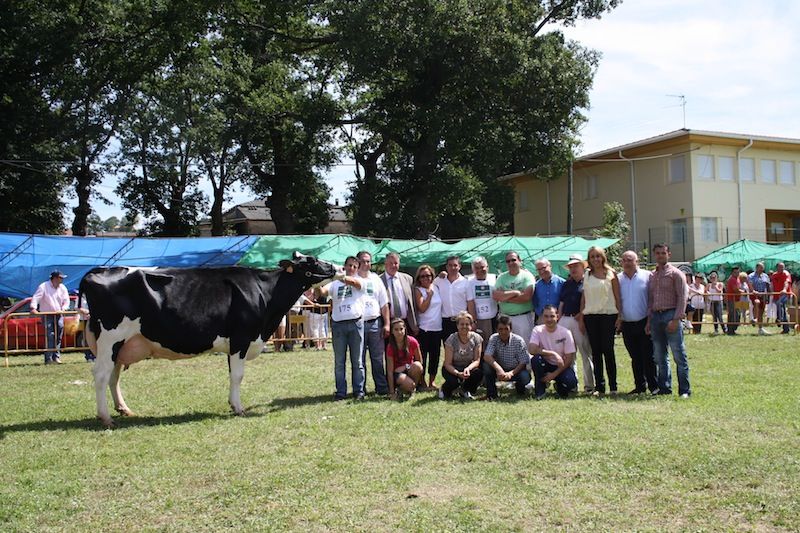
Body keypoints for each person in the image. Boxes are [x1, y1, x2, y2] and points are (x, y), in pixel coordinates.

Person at [317, 256, 366, 400]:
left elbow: (353, 282)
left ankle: (359, 391)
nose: (351, 268)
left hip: (355, 323)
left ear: (357, 269)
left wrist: (337, 276)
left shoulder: (360, 280)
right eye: (349, 265)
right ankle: (341, 392)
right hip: (338, 325)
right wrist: (317, 283)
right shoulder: (334, 284)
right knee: (339, 362)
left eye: (354, 266)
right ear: (344, 266)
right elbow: (323, 292)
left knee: (357, 361)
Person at [647, 243, 691, 398]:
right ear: (654, 255)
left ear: (669, 254)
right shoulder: (652, 275)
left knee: (678, 354)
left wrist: (676, 318)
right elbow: (650, 299)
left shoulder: (676, 274)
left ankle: (684, 390)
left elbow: (682, 297)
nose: (660, 256)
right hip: (656, 317)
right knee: (659, 356)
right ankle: (664, 387)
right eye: (657, 253)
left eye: (663, 253)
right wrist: (648, 321)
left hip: (671, 315)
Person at [580, 246, 621, 396]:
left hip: (608, 315)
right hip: (591, 316)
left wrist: (620, 316)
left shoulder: (611, 274)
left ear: (603, 257)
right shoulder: (587, 274)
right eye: (592, 257)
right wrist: (581, 317)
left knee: (608, 351)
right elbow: (584, 297)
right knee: (596, 352)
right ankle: (600, 387)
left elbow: (617, 296)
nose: (595, 259)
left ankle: (613, 387)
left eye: (598, 256)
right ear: (589, 259)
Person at [619, 251, 658, 394]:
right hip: (627, 324)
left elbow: (653, 299)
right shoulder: (618, 279)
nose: (627, 262)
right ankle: (640, 386)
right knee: (634, 357)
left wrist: (650, 320)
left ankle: (654, 386)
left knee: (648, 356)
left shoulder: (648, 276)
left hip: (644, 322)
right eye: (624, 260)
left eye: (630, 260)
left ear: (637, 261)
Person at [558, 254, 595, 393]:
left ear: (583, 266)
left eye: (576, 266)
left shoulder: (589, 282)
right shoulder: (566, 284)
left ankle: (589, 386)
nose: (573, 269)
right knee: (568, 354)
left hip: (580, 319)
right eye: (571, 267)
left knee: (585, 353)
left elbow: (590, 302)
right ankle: (572, 384)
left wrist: (582, 317)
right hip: (565, 319)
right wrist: (559, 319)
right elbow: (561, 303)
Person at [356, 251, 390, 395]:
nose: (366, 264)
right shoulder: (352, 278)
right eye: (363, 261)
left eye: (368, 261)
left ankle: (381, 388)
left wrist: (387, 323)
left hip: (376, 323)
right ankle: (360, 390)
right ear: (357, 262)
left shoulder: (376, 279)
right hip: (358, 324)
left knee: (377, 358)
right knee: (360, 359)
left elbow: (384, 303)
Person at [529, 305, 579, 399]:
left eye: (552, 316)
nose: (549, 319)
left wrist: (553, 374)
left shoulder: (565, 332)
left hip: (561, 366)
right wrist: (553, 353)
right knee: (535, 360)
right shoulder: (537, 330)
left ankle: (559, 386)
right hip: (545, 364)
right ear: (542, 317)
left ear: (557, 316)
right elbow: (532, 350)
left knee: (571, 382)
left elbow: (569, 359)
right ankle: (540, 390)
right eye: (546, 316)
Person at [492, 250, 536, 347]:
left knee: (525, 345)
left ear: (519, 260)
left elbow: (526, 297)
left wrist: (504, 297)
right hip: (505, 317)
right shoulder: (501, 277)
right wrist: (515, 293)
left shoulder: (527, 276)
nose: (511, 263)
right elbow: (495, 296)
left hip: (523, 318)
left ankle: (526, 363)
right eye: (508, 261)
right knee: (506, 345)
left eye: (513, 260)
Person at [483, 315, 532, 399]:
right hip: (499, 371)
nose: (503, 332)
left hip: (516, 371)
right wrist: (499, 369)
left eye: (506, 329)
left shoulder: (518, 341)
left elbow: (523, 362)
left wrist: (511, 373)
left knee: (525, 377)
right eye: (500, 329)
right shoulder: (494, 338)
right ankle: (491, 394)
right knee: (486, 366)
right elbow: (487, 356)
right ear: (496, 329)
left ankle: (520, 390)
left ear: (511, 329)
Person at [439, 311, 484, 400]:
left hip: (467, 367)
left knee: (478, 373)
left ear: (471, 326)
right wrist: (458, 373)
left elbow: (476, 360)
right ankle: (444, 389)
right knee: (453, 383)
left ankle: (465, 390)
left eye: (467, 324)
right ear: (457, 326)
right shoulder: (451, 339)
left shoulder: (476, 338)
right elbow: (447, 364)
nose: (464, 327)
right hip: (452, 368)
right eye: (462, 324)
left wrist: (468, 369)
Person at [30, 270, 71, 364]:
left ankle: (56, 357)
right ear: (55, 278)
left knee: (58, 336)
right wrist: (33, 308)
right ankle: (48, 359)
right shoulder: (43, 286)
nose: (62, 280)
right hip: (47, 314)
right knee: (50, 335)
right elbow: (36, 297)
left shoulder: (63, 288)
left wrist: (63, 309)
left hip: (59, 314)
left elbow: (66, 301)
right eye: (61, 278)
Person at [414, 264, 443, 390]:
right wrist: (429, 296)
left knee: (435, 357)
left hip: (437, 328)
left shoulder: (436, 286)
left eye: (428, 275)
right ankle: (422, 382)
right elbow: (422, 308)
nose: (426, 278)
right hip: (424, 329)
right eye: (423, 276)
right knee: (423, 357)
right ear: (419, 278)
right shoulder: (418, 290)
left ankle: (432, 382)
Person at [380, 252, 418, 336]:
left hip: (407, 322)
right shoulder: (378, 280)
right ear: (385, 264)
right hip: (388, 323)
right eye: (390, 263)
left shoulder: (408, 279)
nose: (393, 265)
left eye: (396, 263)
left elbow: (413, 302)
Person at [386, 318, 424, 400]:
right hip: (397, 373)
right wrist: (391, 392)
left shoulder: (412, 341)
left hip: (410, 369)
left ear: (405, 329)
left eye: (401, 329)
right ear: (392, 331)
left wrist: (406, 366)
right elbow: (389, 371)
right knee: (409, 384)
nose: (399, 332)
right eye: (396, 329)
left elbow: (420, 361)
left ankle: (412, 390)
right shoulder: (390, 346)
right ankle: (402, 389)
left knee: (418, 365)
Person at [433, 255, 468, 343]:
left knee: (462, 347)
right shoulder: (439, 281)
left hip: (461, 320)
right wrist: (439, 275)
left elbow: (470, 302)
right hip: (445, 321)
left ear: (459, 266)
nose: (453, 268)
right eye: (450, 265)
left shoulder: (466, 282)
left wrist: (473, 321)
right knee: (448, 348)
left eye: (455, 265)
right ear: (446, 267)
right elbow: (428, 286)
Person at [466, 256, 497, 346]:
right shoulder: (469, 282)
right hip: (478, 319)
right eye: (476, 268)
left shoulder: (495, 278)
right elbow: (470, 303)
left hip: (493, 318)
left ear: (487, 267)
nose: (480, 270)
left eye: (482, 267)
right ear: (473, 269)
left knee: (494, 343)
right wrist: (473, 322)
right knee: (480, 344)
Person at [532, 258, 564, 323]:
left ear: (550, 266)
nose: (541, 271)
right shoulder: (536, 285)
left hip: (559, 318)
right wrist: (539, 312)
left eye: (543, 268)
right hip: (542, 319)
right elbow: (535, 302)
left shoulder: (562, 283)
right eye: (539, 269)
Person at [748, 262, 772, 335]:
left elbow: (768, 285)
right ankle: (754, 318)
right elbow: (750, 284)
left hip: (763, 294)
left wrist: (769, 294)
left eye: (763, 268)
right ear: (756, 268)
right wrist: (753, 291)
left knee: (761, 312)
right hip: (754, 294)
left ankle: (760, 329)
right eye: (760, 267)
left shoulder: (765, 276)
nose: (762, 269)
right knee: (756, 303)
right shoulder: (751, 276)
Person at [771, 262, 793, 334]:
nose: (782, 268)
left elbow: (786, 282)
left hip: (785, 294)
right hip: (776, 295)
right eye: (780, 267)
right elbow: (772, 285)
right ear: (777, 268)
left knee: (780, 305)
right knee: (780, 308)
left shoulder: (786, 274)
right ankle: (785, 327)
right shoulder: (774, 275)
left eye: (783, 267)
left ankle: (780, 319)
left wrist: (784, 289)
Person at [725, 266, 743, 335]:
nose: (737, 273)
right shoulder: (732, 279)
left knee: (736, 315)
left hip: (737, 300)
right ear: (732, 273)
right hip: (732, 300)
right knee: (734, 315)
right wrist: (743, 291)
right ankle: (731, 330)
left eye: (738, 272)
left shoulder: (737, 279)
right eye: (735, 272)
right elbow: (735, 289)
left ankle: (731, 330)